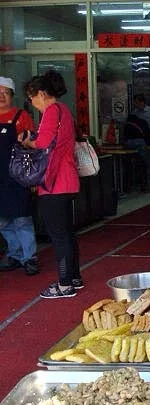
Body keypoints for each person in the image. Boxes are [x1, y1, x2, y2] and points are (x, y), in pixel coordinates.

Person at [19, 70, 82, 298]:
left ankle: (65, 284)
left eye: (32, 97)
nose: (32, 102)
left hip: (55, 182)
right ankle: (74, 276)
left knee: (59, 235)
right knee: (67, 232)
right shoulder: (64, 110)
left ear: (42, 94)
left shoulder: (51, 111)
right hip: (67, 180)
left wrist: (28, 142)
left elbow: (44, 142)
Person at [0, 76, 39, 276]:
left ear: (12, 96)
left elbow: (32, 146)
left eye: (5, 92)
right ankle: (13, 254)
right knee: (3, 220)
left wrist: (32, 178)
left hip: (17, 176)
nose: (1, 96)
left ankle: (29, 257)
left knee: (22, 218)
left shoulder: (21, 116)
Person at [123, 113, 150, 192]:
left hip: (129, 144)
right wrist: (149, 144)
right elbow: (147, 135)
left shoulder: (127, 124)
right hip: (141, 143)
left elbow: (124, 137)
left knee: (129, 163)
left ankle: (128, 185)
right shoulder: (142, 122)